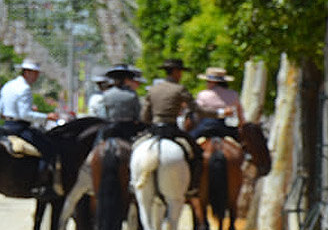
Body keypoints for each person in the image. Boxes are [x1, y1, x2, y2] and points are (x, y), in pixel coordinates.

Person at [0, 58, 62, 195]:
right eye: (35, 73)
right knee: (49, 148)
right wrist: (46, 117)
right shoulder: (24, 88)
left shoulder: (8, 85)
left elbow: (0, 110)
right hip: (19, 127)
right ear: (26, 72)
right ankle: (42, 184)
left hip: (6, 125)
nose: (37, 77)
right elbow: (24, 114)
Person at [141, 59, 203, 194]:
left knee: (134, 148)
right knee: (197, 152)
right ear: (175, 72)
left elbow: (144, 116)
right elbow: (196, 109)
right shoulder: (180, 89)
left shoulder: (153, 89)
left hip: (154, 129)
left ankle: (132, 182)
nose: (181, 75)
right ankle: (192, 186)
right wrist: (219, 113)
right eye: (180, 72)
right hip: (171, 129)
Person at [190, 67, 243, 140]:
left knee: (190, 142)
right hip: (227, 128)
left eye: (207, 81)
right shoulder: (234, 94)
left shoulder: (203, 94)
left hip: (206, 127)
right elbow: (240, 115)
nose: (206, 84)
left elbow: (197, 114)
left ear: (213, 82)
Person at [99, 64, 145, 141]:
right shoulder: (132, 94)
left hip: (111, 128)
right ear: (126, 79)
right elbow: (138, 115)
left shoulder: (106, 94)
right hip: (129, 130)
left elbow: (103, 115)